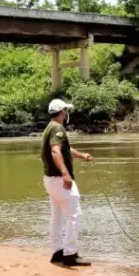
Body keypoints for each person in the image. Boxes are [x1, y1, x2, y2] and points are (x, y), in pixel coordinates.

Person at [41, 98, 92, 267]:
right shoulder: (58, 128)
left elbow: (64, 149)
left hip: (50, 180)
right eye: (66, 111)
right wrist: (65, 174)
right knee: (75, 215)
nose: (66, 114)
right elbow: (56, 152)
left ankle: (57, 252)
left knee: (57, 217)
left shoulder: (50, 127)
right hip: (59, 180)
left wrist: (82, 155)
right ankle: (70, 254)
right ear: (62, 112)